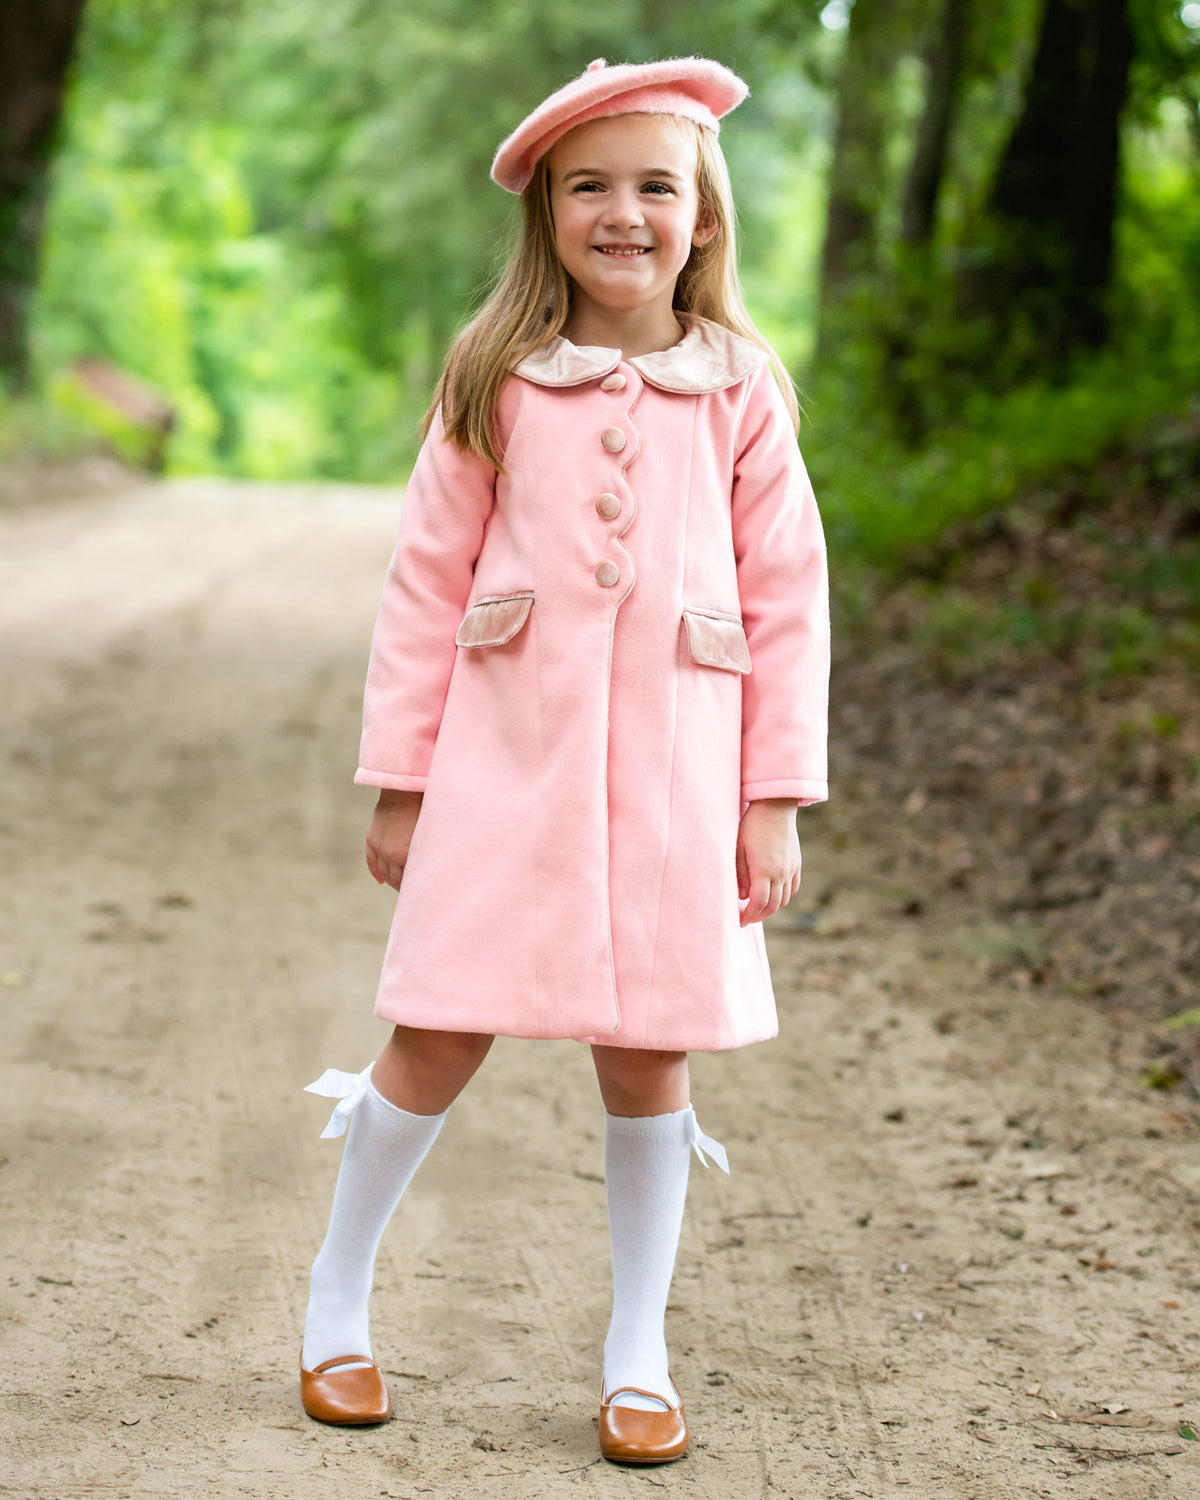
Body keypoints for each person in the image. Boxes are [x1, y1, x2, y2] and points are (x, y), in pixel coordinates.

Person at [298, 55, 830, 1466]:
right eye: (589, 187)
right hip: (504, 760)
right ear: (547, 217)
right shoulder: (498, 377)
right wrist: (404, 779)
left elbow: (788, 597)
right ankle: (336, 1306)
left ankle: (636, 1350)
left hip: (678, 768)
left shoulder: (742, 391)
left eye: (656, 186)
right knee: (438, 1025)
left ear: (703, 216)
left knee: (651, 1056)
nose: (623, 213)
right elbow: (426, 583)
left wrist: (771, 798)